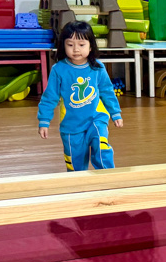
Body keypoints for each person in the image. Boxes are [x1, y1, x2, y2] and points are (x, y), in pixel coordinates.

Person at [38, 21, 123, 171]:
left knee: (102, 147)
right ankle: (78, 182)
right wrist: (44, 121)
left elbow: (107, 91)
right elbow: (49, 98)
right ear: (63, 46)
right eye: (70, 45)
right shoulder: (59, 70)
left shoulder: (97, 67)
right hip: (71, 126)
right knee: (75, 164)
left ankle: (109, 176)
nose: (76, 49)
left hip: (96, 118)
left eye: (81, 44)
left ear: (90, 46)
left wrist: (115, 113)